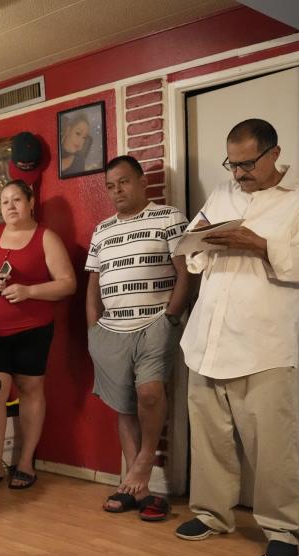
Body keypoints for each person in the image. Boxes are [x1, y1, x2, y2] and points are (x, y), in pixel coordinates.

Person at [174, 119, 299, 556]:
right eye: (233, 163)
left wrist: (258, 244)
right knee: (209, 439)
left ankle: (281, 528)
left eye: (247, 163)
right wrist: (202, 243)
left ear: (274, 153)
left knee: (272, 446)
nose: (239, 173)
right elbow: (195, 249)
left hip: (263, 344)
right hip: (208, 337)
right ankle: (211, 514)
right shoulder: (224, 194)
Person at [85, 156, 189, 521]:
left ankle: (142, 463)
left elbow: (185, 273)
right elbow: (93, 283)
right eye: (111, 186)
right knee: (125, 404)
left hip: (154, 324)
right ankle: (138, 490)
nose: (117, 192)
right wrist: (93, 329)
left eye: (124, 182)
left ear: (143, 182)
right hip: (109, 329)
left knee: (149, 393)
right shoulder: (102, 230)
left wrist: (171, 317)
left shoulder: (170, 217)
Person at [0, 180, 76, 490]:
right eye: (4, 202)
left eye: (16, 200)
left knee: (30, 390)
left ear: (31, 202)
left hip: (32, 331)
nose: (10, 206)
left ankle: (25, 463)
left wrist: (29, 291)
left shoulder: (46, 238)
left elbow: (67, 283)